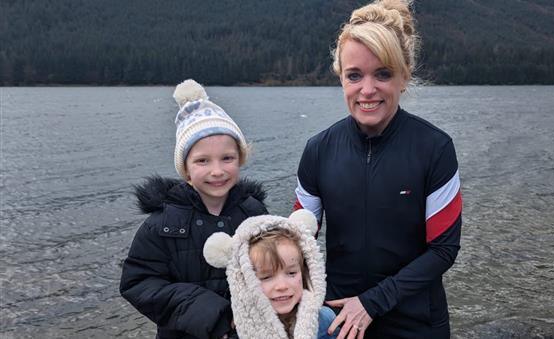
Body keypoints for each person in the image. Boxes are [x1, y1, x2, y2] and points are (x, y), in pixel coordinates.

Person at [293, 0, 463, 338]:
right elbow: (299, 239)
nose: (367, 90)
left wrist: (373, 302)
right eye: (354, 75)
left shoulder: (435, 148)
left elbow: (443, 250)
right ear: (341, 78)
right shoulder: (319, 150)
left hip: (416, 321)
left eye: (382, 74)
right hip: (338, 318)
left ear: (404, 77)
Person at [120, 79, 268, 339]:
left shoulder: (254, 213)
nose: (217, 171)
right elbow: (138, 283)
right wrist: (209, 311)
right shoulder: (163, 223)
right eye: (202, 160)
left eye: (227, 158)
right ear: (186, 168)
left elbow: (274, 268)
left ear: (240, 159)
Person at [203, 209, 339, 339]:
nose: (282, 286)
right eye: (266, 277)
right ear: (244, 283)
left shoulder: (325, 320)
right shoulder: (236, 332)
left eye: (291, 273)